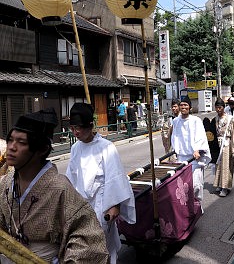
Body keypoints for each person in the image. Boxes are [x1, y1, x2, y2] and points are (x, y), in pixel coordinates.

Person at [0, 108, 109, 263]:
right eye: (10, 140)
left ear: (42, 149)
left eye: (21, 142)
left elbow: (87, 238)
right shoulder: (5, 183)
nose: (11, 147)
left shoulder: (59, 188)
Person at [66, 103, 136, 264]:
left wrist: (115, 205)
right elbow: (71, 177)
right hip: (80, 206)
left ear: (90, 126)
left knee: (104, 246)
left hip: (101, 203)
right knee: (83, 247)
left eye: (79, 128)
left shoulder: (106, 147)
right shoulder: (75, 147)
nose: (75, 132)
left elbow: (116, 178)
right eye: (72, 128)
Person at [171, 96, 211, 207]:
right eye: (181, 105)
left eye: (186, 105)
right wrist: (174, 151)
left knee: (196, 185)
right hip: (181, 158)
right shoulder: (175, 121)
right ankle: (186, 209)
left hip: (194, 158)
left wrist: (197, 149)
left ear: (190, 107)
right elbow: (175, 137)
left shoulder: (196, 120)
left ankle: (197, 206)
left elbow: (201, 136)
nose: (183, 107)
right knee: (183, 187)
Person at [213, 98, 234, 197]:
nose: (218, 110)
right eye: (216, 108)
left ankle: (225, 187)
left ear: (223, 108)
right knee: (218, 165)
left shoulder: (230, 119)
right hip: (218, 143)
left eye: (220, 107)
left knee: (226, 166)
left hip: (227, 143)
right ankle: (218, 184)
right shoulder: (216, 118)